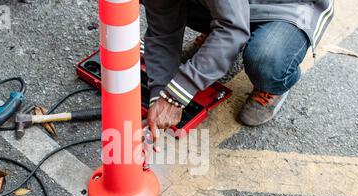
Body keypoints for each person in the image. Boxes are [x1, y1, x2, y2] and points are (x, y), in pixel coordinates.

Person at [142, 0, 334, 137]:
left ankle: (275, 82)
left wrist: (175, 97)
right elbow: (162, 34)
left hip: (286, 7)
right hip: (235, 6)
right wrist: (160, 92)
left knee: (265, 58)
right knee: (181, 7)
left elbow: (232, 29)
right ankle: (220, 34)